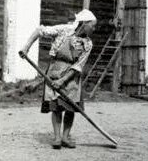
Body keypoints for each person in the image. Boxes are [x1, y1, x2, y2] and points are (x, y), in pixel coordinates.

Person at [19, 9, 97, 149]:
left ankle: (66, 137)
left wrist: (62, 81)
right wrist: (26, 47)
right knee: (56, 106)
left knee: (70, 107)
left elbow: (78, 66)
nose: (94, 29)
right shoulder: (64, 30)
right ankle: (57, 138)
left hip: (72, 75)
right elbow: (39, 30)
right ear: (84, 23)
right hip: (55, 69)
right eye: (93, 25)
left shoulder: (88, 43)